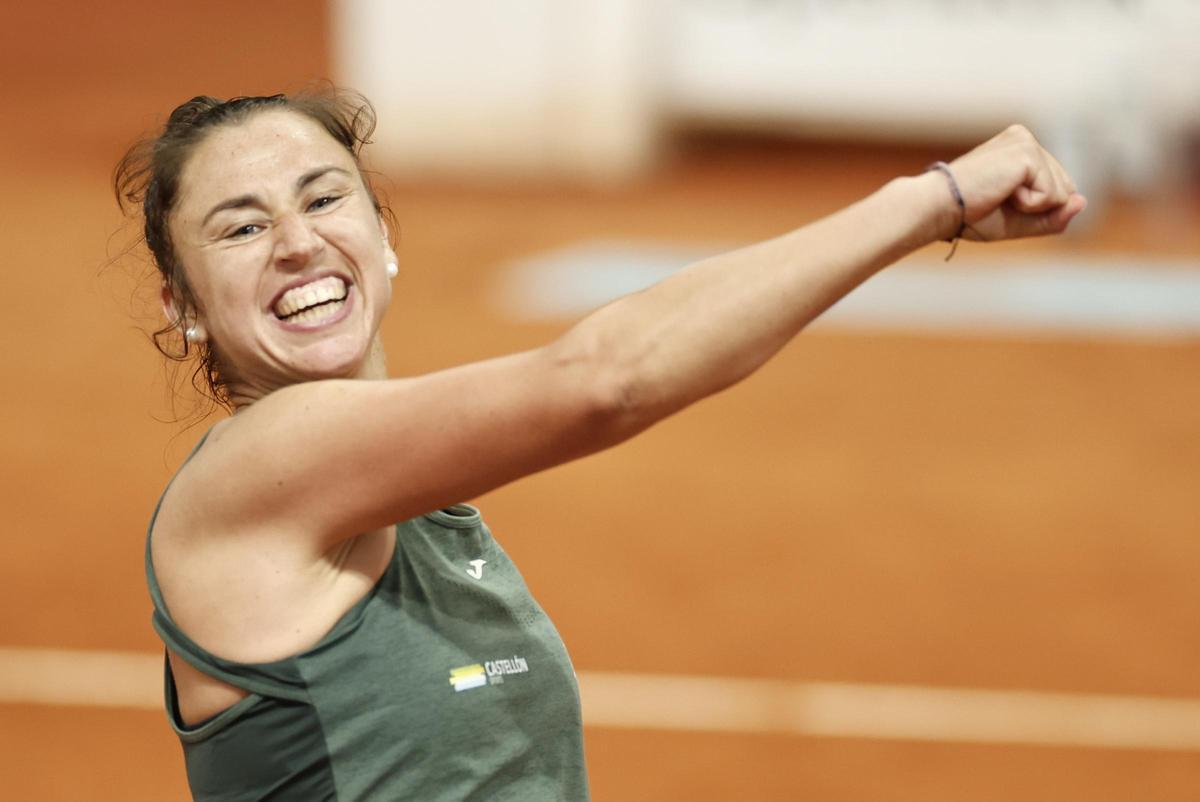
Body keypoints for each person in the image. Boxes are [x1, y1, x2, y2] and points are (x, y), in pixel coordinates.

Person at [116, 89, 1085, 801]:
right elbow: (604, 379)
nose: (296, 241)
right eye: (241, 227)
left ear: (382, 231)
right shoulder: (260, 470)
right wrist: (933, 200)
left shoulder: (414, 488)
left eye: (324, 199)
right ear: (182, 304)